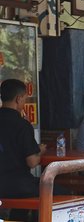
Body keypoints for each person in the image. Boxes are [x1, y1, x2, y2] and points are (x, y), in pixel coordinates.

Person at [0, 79, 61, 220]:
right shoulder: (21, 125)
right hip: (17, 185)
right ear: (18, 98)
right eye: (25, 99)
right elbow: (32, 162)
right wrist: (40, 151)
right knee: (61, 191)